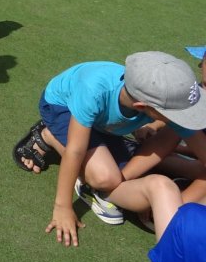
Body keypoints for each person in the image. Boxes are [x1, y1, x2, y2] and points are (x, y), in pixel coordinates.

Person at [12, 51, 206, 248]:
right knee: (106, 178)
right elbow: (75, 151)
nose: (185, 117)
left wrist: (124, 177)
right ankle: (49, 135)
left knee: (117, 177)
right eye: (180, 114)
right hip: (62, 108)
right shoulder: (94, 89)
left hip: (102, 123)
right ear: (142, 106)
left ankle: (107, 156)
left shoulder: (155, 99)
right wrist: (63, 206)